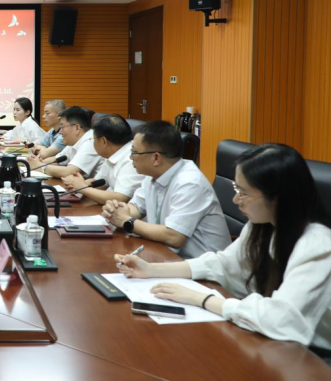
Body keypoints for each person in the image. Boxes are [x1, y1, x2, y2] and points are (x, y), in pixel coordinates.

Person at [115, 144, 331, 357]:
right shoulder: (262, 226)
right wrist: (150, 269)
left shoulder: (317, 246)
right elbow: (222, 264)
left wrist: (202, 299)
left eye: (244, 193)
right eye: (237, 189)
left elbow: (280, 320)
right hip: (274, 341)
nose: (236, 200)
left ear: (277, 197)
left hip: (313, 356)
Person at [102, 120, 230, 259]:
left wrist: (127, 221)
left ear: (156, 158)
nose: (130, 157)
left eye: (134, 152)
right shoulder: (153, 175)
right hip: (166, 256)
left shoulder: (190, 183)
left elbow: (173, 236)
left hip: (202, 266)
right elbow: (136, 208)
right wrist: (117, 211)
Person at [62, 114, 144, 204]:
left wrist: (82, 188)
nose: (92, 142)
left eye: (93, 139)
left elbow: (120, 198)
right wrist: (76, 183)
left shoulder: (131, 159)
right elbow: (101, 183)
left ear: (103, 141)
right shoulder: (114, 154)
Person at [40, 106, 104, 179]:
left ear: (77, 128)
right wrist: (39, 163)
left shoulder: (91, 141)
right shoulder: (73, 141)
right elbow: (56, 160)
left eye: (62, 127)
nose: (60, 132)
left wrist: (41, 167)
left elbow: (69, 172)